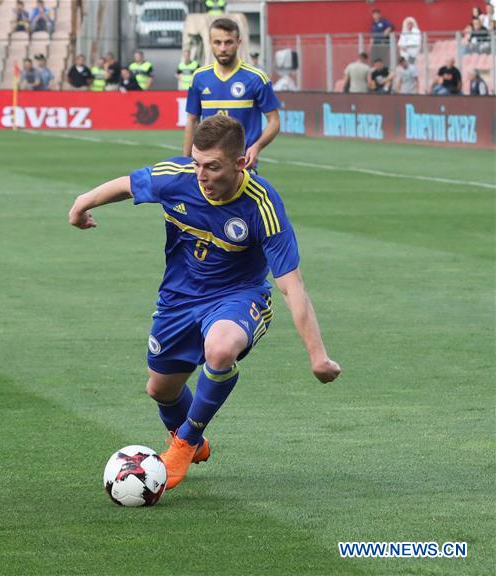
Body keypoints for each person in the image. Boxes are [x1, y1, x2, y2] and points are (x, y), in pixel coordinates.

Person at [68, 114, 340, 491]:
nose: (201, 175)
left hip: (238, 297)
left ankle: (185, 443)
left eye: (212, 167)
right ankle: (189, 439)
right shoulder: (178, 177)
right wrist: (82, 204)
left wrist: (318, 357)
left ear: (241, 162)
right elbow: (128, 185)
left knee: (221, 348)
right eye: (196, 163)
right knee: (159, 390)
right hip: (178, 300)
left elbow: (292, 286)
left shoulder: (263, 205)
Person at [182, 18, 280, 170]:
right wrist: (185, 160)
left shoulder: (256, 78)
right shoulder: (199, 78)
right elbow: (192, 121)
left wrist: (256, 147)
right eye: (217, 42)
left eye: (228, 42)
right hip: (207, 168)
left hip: (242, 166)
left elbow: (274, 121)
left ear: (238, 43)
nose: (222, 48)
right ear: (210, 42)